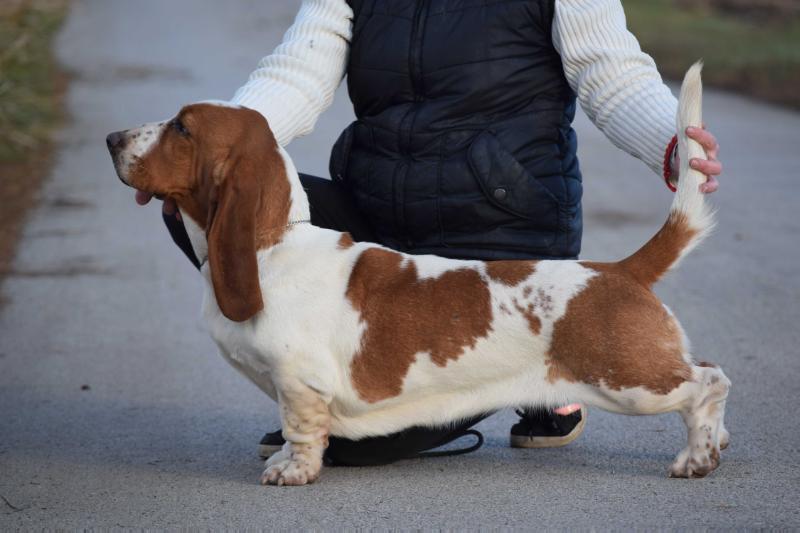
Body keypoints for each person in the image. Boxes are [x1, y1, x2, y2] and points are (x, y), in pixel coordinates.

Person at [138, 0, 722, 465]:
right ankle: (310, 391)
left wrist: (669, 145)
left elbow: (609, 72)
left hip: (500, 245)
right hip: (383, 231)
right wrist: (198, 162)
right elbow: (297, 71)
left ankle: (551, 375)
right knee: (194, 208)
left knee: (362, 447)